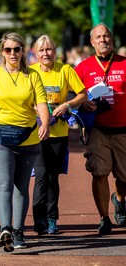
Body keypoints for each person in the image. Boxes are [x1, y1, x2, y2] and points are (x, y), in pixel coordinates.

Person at [0, 32, 50, 252]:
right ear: (2, 52)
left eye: (17, 49)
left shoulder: (32, 76)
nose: (13, 53)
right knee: (5, 183)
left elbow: (42, 103)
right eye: (8, 49)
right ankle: (5, 229)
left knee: (22, 187)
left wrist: (44, 123)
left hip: (28, 137)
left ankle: (18, 231)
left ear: (23, 51)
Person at [29, 35, 87, 235]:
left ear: (55, 51)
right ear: (35, 54)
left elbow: (82, 94)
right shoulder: (30, 72)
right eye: (42, 50)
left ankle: (52, 218)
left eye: (49, 49)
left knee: (53, 177)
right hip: (36, 133)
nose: (46, 53)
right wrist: (33, 107)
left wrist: (66, 105)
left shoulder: (65, 70)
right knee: (41, 175)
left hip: (58, 133)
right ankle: (39, 220)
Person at [75, 23, 126, 235]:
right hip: (97, 129)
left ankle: (120, 199)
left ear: (112, 40)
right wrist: (83, 104)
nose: (103, 40)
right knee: (99, 173)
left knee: (123, 178)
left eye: (106, 36)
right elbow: (73, 96)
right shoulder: (83, 68)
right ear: (92, 42)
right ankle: (104, 217)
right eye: (98, 37)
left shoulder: (124, 64)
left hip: (123, 129)